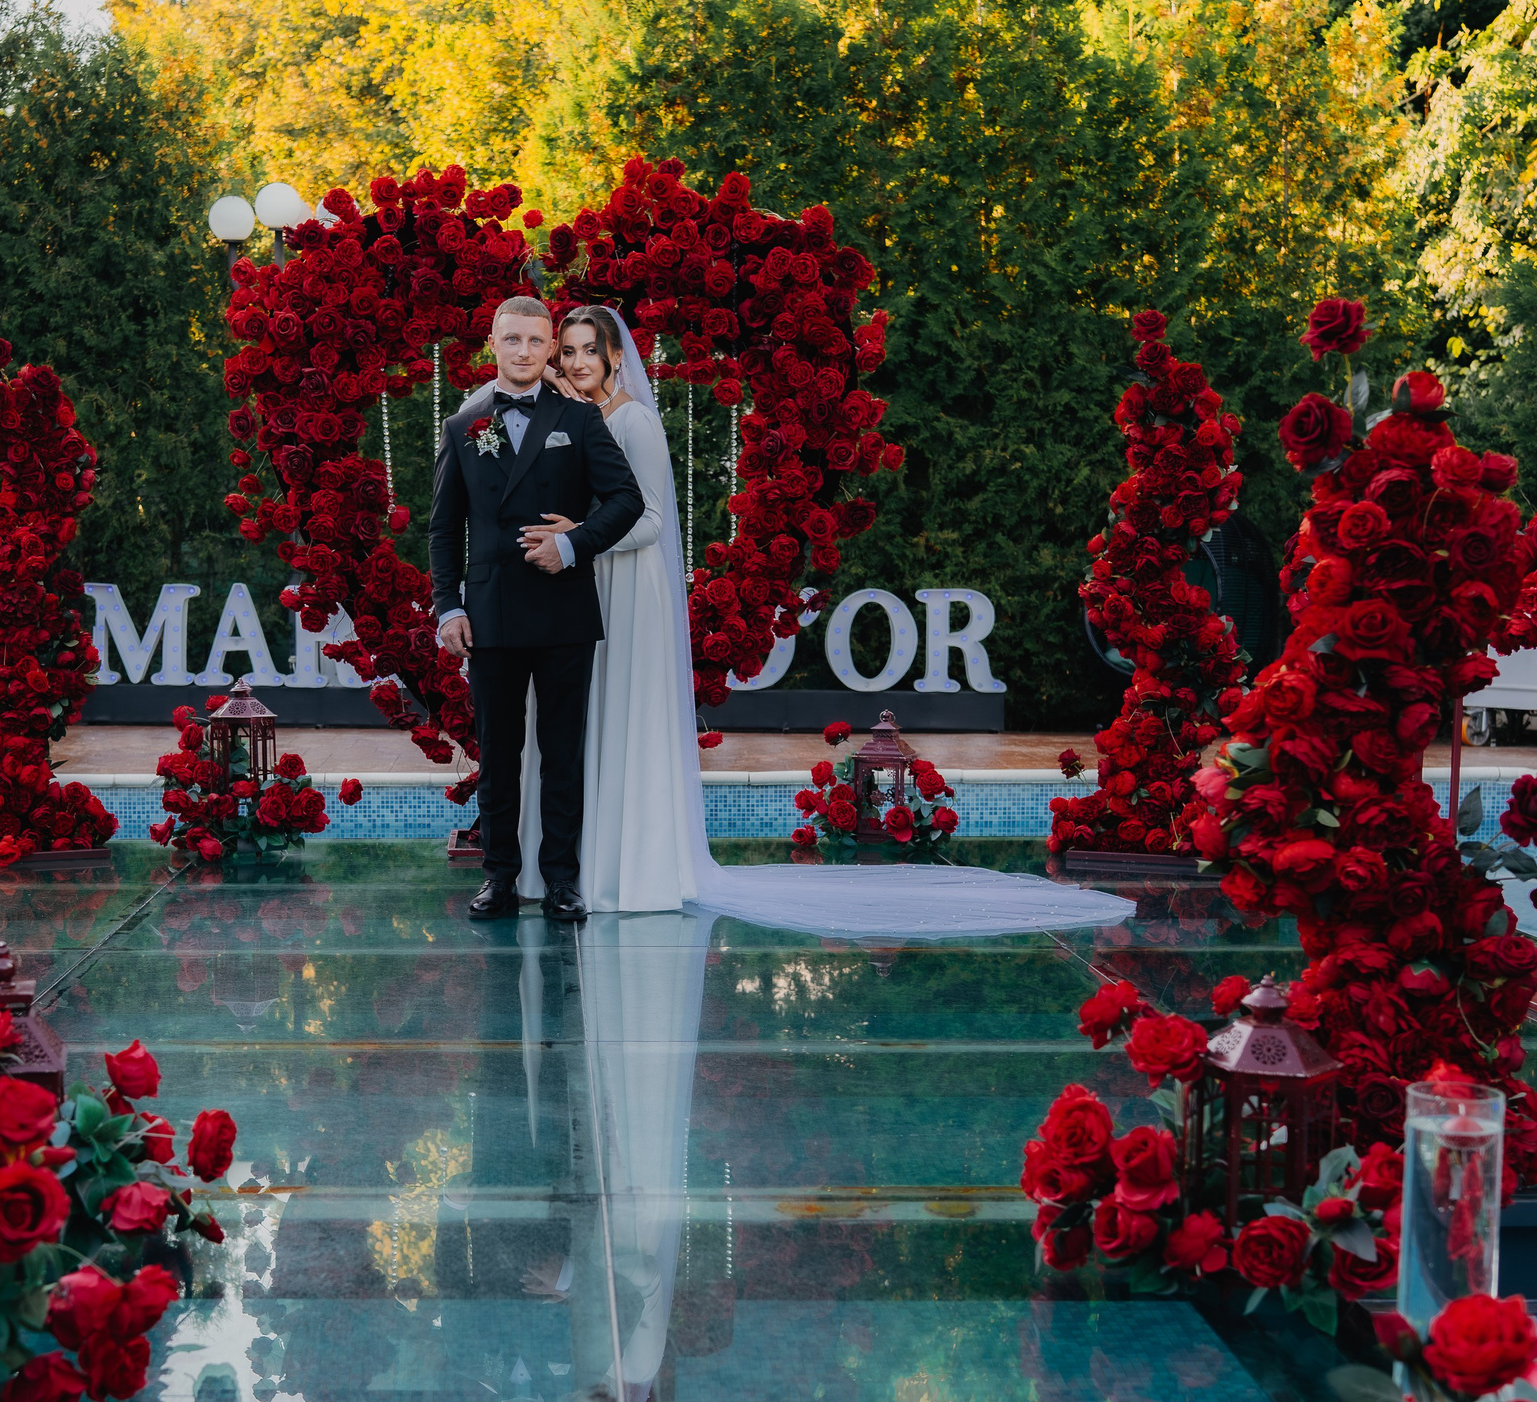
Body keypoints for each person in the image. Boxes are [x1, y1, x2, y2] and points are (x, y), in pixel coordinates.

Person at [512, 304, 1136, 937]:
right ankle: (586, 865)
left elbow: (648, 523)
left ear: (616, 356)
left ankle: (632, 872)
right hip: (589, 580)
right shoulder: (580, 419)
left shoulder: (636, 423)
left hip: (629, 584)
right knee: (589, 720)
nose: (577, 362)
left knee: (625, 717)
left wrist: (582, 536)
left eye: (589, 349)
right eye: (568, 352)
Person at [430, 296, 646, 923]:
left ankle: (561, 881)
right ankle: (499, 878)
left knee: (561, 753)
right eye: (511, 340)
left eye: (535, 341)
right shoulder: (464, 424)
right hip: (490, 615)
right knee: (498, 754)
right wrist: (448, 608)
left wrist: (573, 544)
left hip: (562, 613)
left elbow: (626, 500)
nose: (523, 352)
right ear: (492, 344)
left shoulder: (579, 420)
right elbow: (445, 531)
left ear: (551, 348)